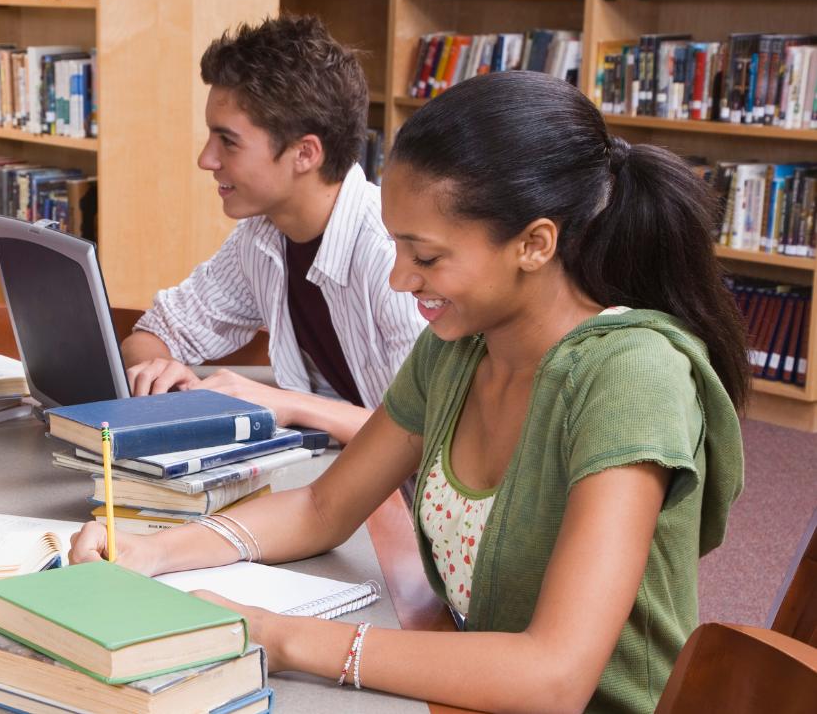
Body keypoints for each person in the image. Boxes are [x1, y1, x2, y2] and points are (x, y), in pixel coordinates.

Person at [71, 71, 746, 713]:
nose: (399, 279)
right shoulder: (459, 345)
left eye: (425, 257)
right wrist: (155, 550)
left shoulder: (630, 374)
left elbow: (556, 676)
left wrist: (279, 635)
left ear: (535, 244)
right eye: (396, 247)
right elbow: (322, 506)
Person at [121, 15, 424, 444]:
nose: (206, 159)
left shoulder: (392, 254)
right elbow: (154, 332)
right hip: (332, 478)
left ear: (305, 153)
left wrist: (288, 404)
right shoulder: (261, 236)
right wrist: (156, 369)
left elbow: (426, 435)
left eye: (228, 141)